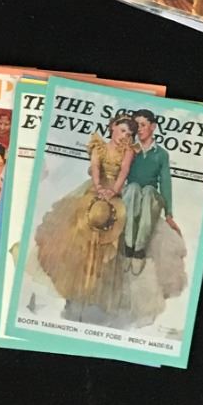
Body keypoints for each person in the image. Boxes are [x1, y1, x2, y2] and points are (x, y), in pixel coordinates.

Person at [32, 114, 137, 322]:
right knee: (80, 232)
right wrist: (98, 187)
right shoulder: (98, 146)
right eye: (123, 130)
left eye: (129, 133)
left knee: (110, 239)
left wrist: (113, 191)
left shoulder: (128, 151)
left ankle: (97, 297)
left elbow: (124, 172)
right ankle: (74, 292)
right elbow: (95, 168)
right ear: (113, 127)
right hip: (95, 190)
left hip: (115, 193)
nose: (125, 136)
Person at [119, 107, 188, 319]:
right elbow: (121, 174)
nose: (139, 129)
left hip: (151, 198)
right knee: (133, 188)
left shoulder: (161, 154)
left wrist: (169, 214)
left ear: (153, 127)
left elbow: (165, 183)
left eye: (143, 125)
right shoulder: (130, 150)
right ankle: (129, 246)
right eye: (136, 125)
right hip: (131, 196)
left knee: (149, 190)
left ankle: (139, 249)